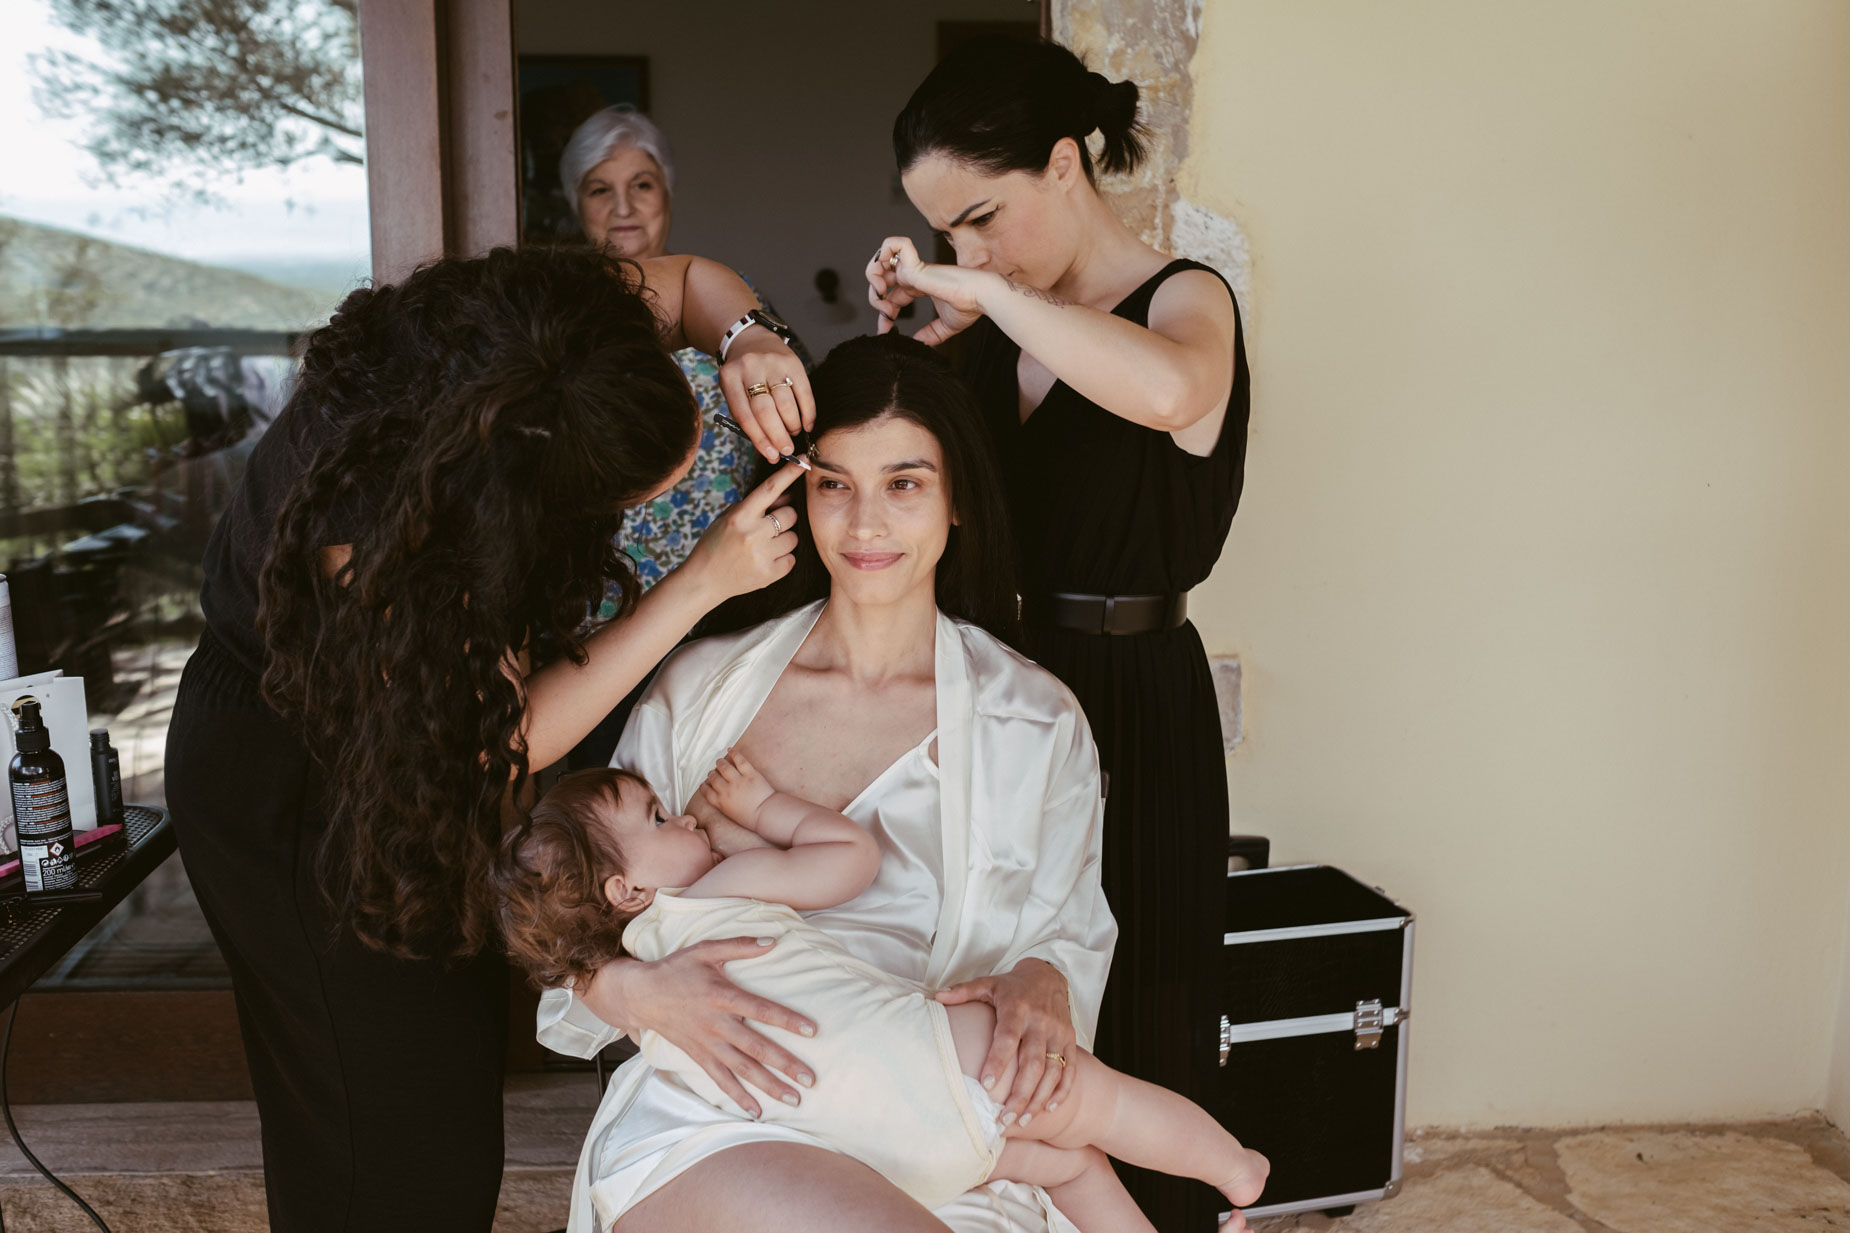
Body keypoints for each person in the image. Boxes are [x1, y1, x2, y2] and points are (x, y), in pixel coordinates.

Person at [164, 244, 814, 1233]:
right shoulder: (378, 530)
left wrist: (746, 337)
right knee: (390, 1141)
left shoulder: (546, 332)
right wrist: (702, 583)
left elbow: (686, 283)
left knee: (450, 1092)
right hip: (296, 784)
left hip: (399, 764)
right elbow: (498, 740)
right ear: (538, 495)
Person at [536, 333, 1119, 1233]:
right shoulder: (699, 692)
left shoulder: (1035, 721)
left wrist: (1043, 974)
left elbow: (1068, 933)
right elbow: (576, 924)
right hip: (716, 1119)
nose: (864, 524)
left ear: (959, 499)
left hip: (933, 1123)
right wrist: (627, 990)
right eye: (833, 484)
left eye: (904, 483)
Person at [869, 37, 1252, 1232]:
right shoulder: (991, 331)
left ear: (1064, 163)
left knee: (1143, 1000)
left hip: (1131, 695)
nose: (970, 254)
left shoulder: (1186, 298)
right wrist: (917, 349)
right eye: (946, 235)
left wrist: (990, 297)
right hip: (996, 697)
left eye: (980, 219)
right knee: (997, 1008)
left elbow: (1172, 393)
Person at [498, 757, 1270, 1233]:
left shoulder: (641, 999)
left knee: (1067, 1167)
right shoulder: (715, 892)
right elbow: (851, 856)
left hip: (880, 1151)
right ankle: (1236, 1165)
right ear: (628, 888)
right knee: (1103, 1106)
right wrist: (763, 810)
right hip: (939, 1062)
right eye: (659, 818)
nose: (686, 817)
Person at [560, 105, 815, 767]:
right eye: (599, 188)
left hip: (724, 626)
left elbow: (800, 437)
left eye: (641, 184)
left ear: (668, 195)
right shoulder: (560, 332)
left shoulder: (736, 311)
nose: (623, 207)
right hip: (595, 639)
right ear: (574, 204)